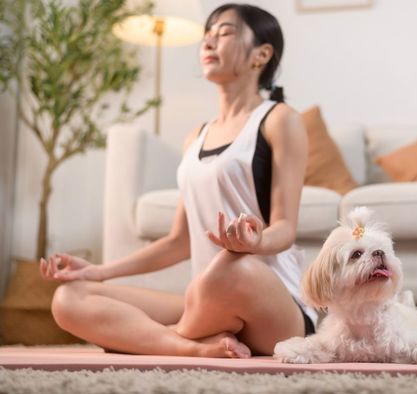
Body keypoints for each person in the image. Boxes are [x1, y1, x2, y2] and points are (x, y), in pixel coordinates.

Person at [39, 3, 316, 358]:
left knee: (233, 265)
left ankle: (152, 339)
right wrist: (99, 271)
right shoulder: (196, 138)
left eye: (225, 32)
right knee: (70, 298)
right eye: (207, 35)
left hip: (270, 303)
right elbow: (177, 241)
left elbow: (285, 228)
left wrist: (255, 240)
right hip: (204, 301)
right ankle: (193, 348)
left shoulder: (280, 120)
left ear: (261, 54)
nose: (209, 42)